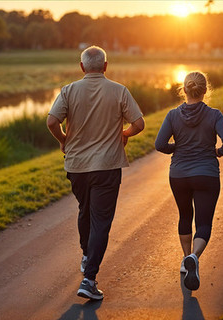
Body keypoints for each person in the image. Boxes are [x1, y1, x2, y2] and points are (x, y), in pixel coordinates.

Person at [47, 46, 145, 300]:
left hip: (77, 166)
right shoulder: (119, 90)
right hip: (107, 166)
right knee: (100, 220)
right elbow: (139, 124)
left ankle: (86, 256)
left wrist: (64, 140)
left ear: (82, 67)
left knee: (85, 209)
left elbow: (51, 121)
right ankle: (89, 280)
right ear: (105, 66)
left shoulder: (69, 90)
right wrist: (123, 134)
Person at [155, 71, 223, 291]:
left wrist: (177, 148)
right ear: (205, 90)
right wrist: (220, 152)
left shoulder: (172, 115)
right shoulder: (214, 115)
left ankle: (186, 259)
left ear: (185, 90)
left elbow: (160, 144)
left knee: (184, 215)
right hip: (207, 173)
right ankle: (194, 257)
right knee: (204, 222)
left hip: (178, 174)